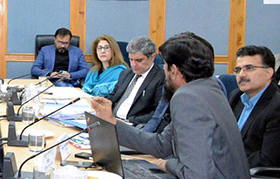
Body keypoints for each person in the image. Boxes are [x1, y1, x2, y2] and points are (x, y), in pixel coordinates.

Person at [90, 32, 250, 178]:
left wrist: (166, 164)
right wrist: (112, 121)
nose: (164, 71)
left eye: (165, 66)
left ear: (174, 70)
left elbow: (196, 174)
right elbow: (161, 145)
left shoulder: (187, 97)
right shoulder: (210, 88)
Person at [228, 45, 280, 168]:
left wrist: (226, 161)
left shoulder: (279, 106)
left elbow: (268, 159)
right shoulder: (236, 96)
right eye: (238, 69)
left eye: (249, 68)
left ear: (268, 73)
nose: (241, 75)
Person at [106, 36, 165, 126]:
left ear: (152, 57)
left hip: (133, 125)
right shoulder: (125, 74)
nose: (133, 65)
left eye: (138, 60)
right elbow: (113, 96)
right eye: (131, 59)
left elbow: (158, 112)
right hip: (111, 120)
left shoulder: (161, 78)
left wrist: (129, 121)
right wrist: (103, 103)